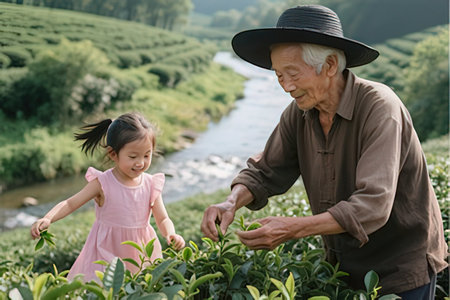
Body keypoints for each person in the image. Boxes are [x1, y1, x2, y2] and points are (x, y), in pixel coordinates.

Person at [201, 5, 448, 299]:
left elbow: (373, 205)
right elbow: (265, 171)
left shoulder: (380, 107)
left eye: (293, 73)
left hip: (400, 268)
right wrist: (231, 202)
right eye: (279, 76)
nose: (287, 87)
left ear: (330, 65)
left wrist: (291, 229)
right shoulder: (299, 113)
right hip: (343, 268)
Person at [31, 112, 185, 282]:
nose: (141, 162)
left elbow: (163, 218)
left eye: (147, 155)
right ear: (113, 154)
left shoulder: (150, 184)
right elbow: (70, 203)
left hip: (140, 253)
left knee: (137, 289)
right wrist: (48, 218)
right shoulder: (103, 183)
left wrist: (171, 234)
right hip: (105, 252)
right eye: (133, 157)